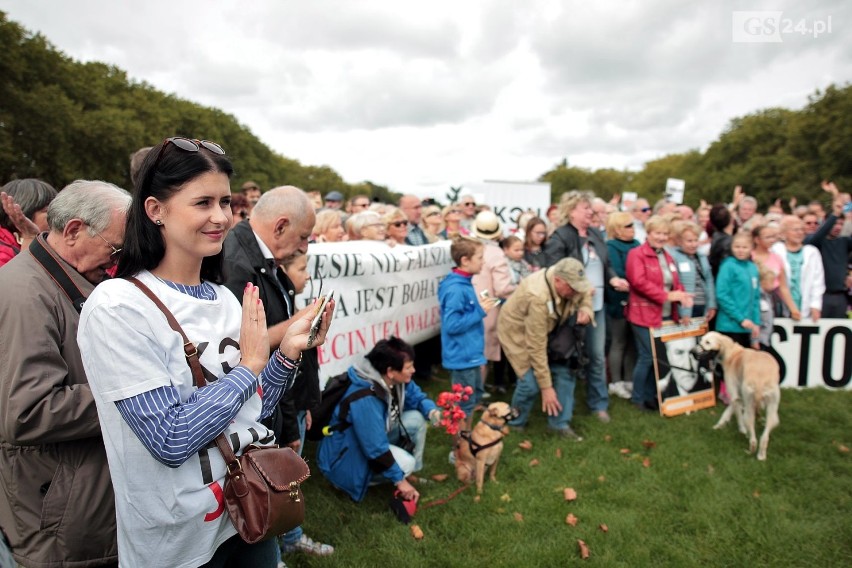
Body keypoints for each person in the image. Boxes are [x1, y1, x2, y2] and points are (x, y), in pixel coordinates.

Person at [77, 137, 332, 568]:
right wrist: (250, 364)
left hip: (246, 513)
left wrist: (287, 354)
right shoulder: (118, 306)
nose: (221, 217)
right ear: (155, 209)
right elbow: (171, 438)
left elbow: (250, 409)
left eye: (226, 202)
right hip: (179, 541)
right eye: (203, 203)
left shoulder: (222, 298)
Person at [0, 179, 131, 568]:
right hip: (55, 518)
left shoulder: (62, 279)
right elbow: (27, 411)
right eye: (115, 247)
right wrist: (133, 393)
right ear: (73, 230)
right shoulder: (25, 294)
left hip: (77, 508)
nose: (116, 261)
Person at [220, 186, 330, 560]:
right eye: (302, 236)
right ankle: (274, 547)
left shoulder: (258, 257)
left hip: (272, 395)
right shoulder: (236, 261)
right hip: (250, 402)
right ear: (281, 225)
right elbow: (242, 347)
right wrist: (299, 323)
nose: (303, 246)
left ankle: (281, 542)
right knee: (264, 481)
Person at [316, 337, 440, 503]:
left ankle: (410, 475)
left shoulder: (395, 380)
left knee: (417, 420)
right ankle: (355, 482)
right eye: (409, 367)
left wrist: (432, 412)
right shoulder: (366, 397)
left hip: (368, 439)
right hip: (346, 457)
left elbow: (417, 397)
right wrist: (399, 480)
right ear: (390, 371)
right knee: (406, 463)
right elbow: (375, 448)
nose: (413, 370)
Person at [543, 191, 629, 423]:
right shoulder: (560, 237)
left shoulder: (595, 234)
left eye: (590, 208)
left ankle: (598, 404)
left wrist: (613, 279)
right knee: (568, 357)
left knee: (597, 356)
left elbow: (606, 264)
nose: (591, 211)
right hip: (572, 308)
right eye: (585, 208)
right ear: (571, 210)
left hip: (597, 307)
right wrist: (579, 290)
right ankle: (560, 413)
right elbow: (553, 272)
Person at [499, 258, 594, 439]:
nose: (576, 292)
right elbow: (536, 346)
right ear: (558, 280)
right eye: (572, 288)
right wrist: (546, 387)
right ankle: (515, 424)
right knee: (530, 383)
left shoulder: (571, 282)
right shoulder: (537, 297)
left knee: (565, 372)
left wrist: (586, 309)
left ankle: (559, 425)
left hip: (552, 330)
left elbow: (585, 292)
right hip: (518, 335)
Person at [625, 216, 692, 412]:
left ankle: (651, 396)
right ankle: (638, 398)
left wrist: (681, 296)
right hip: (643, 313)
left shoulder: (667, 255)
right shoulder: (636, 254)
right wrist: (667, 295)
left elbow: (675, 280)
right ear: (648, 233)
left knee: (658, 356)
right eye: (658, 233)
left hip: (665, 314)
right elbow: (638, 282)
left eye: (665, 234)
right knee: (647, 356)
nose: (661, 237)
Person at [438, 237, 497, 427]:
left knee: (473, 399)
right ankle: (459, 451)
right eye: (480, 257)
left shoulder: (464, 283)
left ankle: (466, 440)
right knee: (463, 406)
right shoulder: (456, 289)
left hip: (471, 354)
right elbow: (452, 325)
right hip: (462, 358)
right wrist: (480, 311)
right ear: (465, 260)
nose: (483, 262)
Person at [470, 211, 517, 397]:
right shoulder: (496, 253)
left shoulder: (468, 247)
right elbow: (502, 288)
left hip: (468, 303)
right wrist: (521, 286)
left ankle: (469, 392)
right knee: (483, 353)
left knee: (472, 351)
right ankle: (475, 395)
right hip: (488, 306)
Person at [605, 211, 640, 400]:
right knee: (618, 341)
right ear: (617, 229)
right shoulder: (610, 246)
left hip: (637, 300)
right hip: (619, 300)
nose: (632, 228)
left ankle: (629, 380)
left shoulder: (636, 244)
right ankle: (615, 382)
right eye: (628, 226)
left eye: (632, 224)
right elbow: (618, 272)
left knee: (632, 343)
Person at [804, 192, 852, 318]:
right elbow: (817, 237)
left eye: (841, 224)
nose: (838, 227)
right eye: (835, 223)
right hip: (820, 296)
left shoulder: (844, 242)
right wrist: (835, 214)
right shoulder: (817, 242)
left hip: (840, 296)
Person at [771, 216, 825, 322]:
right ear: (784, 233)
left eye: (801, 230)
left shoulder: (812, 252)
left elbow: (818, 281)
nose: (799, 233)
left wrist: (815, 305)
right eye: (795, 230)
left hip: (805, 304)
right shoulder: (775, 250)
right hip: (780, 304)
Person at [716, 231, 762, 349]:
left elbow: (756, 297)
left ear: (751, 248)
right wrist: (740, 319)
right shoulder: (728, 266)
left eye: (744, 247)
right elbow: (722, 294)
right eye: (737, 247)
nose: (740, 250)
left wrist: (756, 322)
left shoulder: (752, 268)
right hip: (729, 326)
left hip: (748, 327)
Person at [0, 178, 58, 267]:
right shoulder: (3, 254)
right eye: (47, 211)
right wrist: (30, 237)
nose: (57, 217)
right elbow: (21, 279)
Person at [751, 224, 800, 320]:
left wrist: (793, 309)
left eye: (773, 237)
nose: (772, 240)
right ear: (757, 240)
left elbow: (783, 287)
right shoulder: (749, 257)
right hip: (752, 299)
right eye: (767, 237)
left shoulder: (777, 258)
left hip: (772, 300)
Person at [669, 220, 716, 321]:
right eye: (689, 241)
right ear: (680, 241)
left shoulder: (701, 257)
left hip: (702, 304)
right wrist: (683, 311)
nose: (694, 244)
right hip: (684, 306)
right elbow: (674, 284)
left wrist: (711, 304)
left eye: (696, 240)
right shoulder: (673, 257)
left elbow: (709, 280)